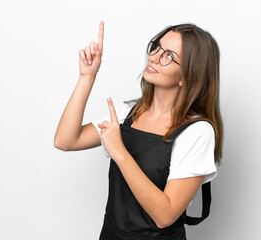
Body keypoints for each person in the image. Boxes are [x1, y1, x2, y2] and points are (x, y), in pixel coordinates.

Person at [54, 21, 223, 240]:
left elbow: (166, 215)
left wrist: (120, 152)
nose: (154, 57)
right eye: (157, 47)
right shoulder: (127, 114)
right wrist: (87, 77)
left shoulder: (198, 132)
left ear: (188, 75)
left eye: (169, 56)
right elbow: (65, 141)